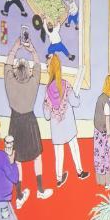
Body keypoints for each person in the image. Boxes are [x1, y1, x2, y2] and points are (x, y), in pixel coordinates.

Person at [3, 38, 51, 203]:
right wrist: (32, 50)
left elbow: (7, 64)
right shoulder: (33, 82)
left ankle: (19, 196)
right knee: (37, 157)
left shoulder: (9, 82)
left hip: (15, 123)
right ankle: (40, 190)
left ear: (15, 71)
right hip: (30, 123)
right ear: (28, 72)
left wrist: (16, 46)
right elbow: (38, 66)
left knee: (17, 160)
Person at [42, 54, 87, 187]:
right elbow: (76, 103)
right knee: (74, 147)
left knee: (58, 153)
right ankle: (80, 172)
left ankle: (59, 178)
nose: (46, 68)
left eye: (47, 66)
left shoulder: (47, 91)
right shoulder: (66, 85)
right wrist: (77, 96)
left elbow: (47, 116)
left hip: (56, 128)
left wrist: (46, 106)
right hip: (69, 125)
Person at [93, 74, 110, 191]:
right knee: (107, 157)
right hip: (104, 134)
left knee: (99, 157)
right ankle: (107, 182)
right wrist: (109, 137)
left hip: (97, 132)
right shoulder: (106, 102)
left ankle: (101, 180)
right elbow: (107, 120)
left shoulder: (100, 98)